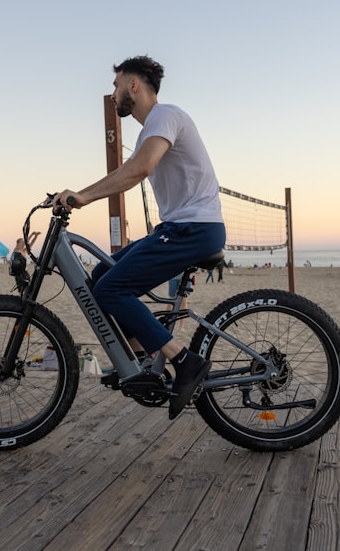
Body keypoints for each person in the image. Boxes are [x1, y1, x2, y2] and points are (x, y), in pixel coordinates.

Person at [54, 55, 225, 421]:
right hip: (179, 228)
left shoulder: (165, 116)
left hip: (194, 229)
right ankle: (139, 363)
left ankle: (184, 361)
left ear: (134, 85)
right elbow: (133, 169)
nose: (113, 94)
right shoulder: (153, 128)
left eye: (116, 86)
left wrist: (82, 196)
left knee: (111, 290)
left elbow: (140, 168)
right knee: (99, 276)